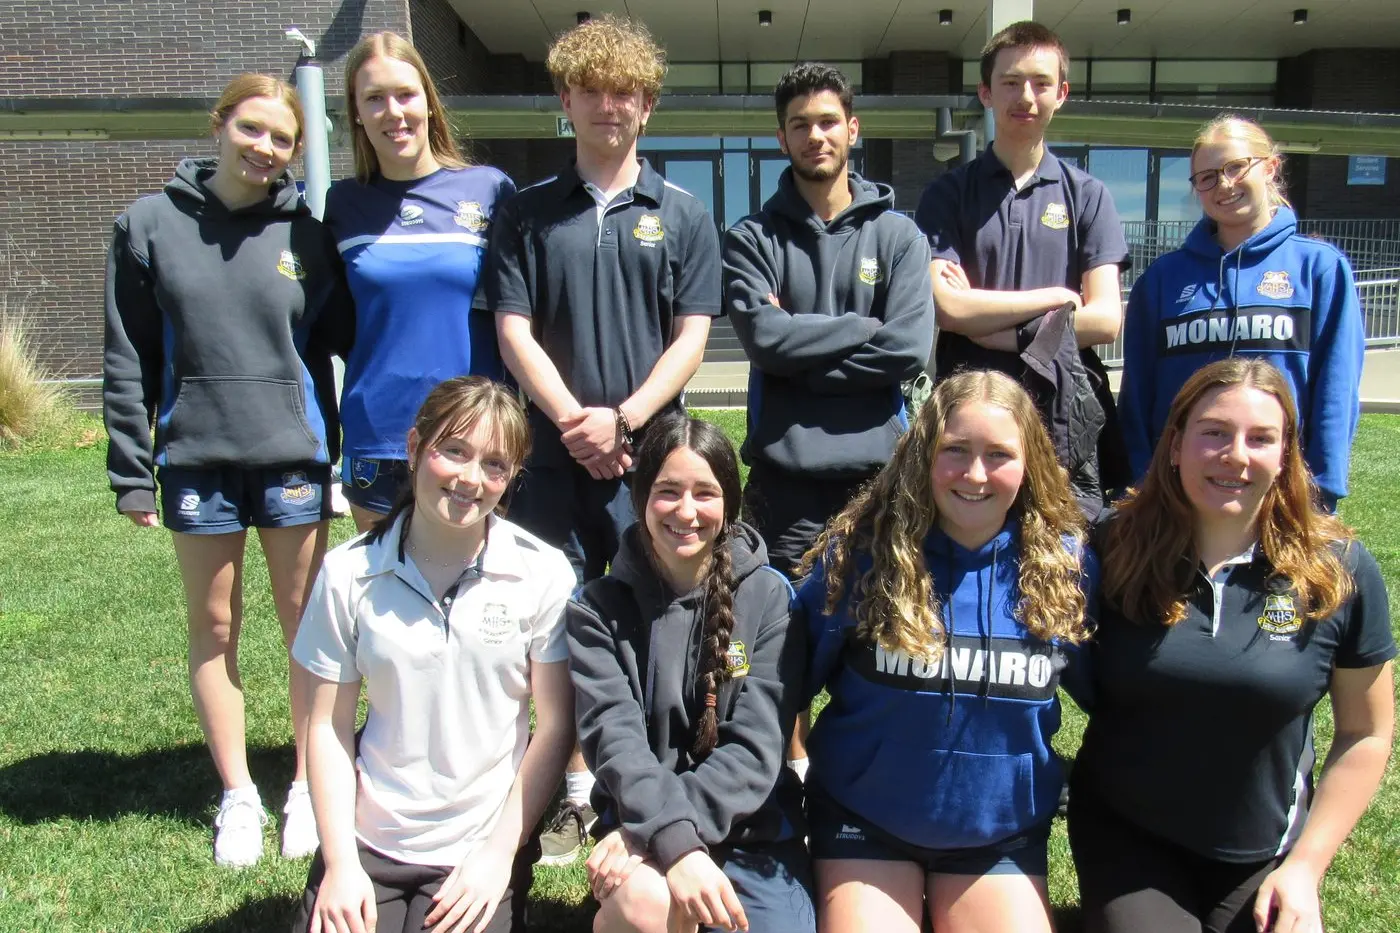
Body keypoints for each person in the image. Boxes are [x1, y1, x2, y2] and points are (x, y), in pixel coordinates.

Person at [481, 14, 721, 865]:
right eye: (592, 91)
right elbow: (513, 328)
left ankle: (640, 780)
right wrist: (574, 421)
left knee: (644, 616)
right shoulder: (526, 212)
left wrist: (622, 419)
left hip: (648, 465)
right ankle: (564, 785)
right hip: (549, 457)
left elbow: (692, 335)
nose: (609, 107)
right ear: (565, 101)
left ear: (647, 107)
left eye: (625, 93)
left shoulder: (685, 215)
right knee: (555, 616)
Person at [103, 73, 344, 867]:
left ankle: (309, 786)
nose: (264, 148)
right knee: (213, 628)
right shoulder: (147, 226)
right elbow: (128, 355)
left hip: (291, 460)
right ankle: (239, 793)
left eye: (282, 139)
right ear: (219, 126)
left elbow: (334, 340)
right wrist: (133, 469)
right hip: (196, 458)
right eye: (252, 129)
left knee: (306, 627)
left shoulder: (305, 235)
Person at [1070, 358, 1395, 933]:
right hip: (1130, 834)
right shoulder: (1112, 548)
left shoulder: (1337, 569)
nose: (1236, 455)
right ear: (1175, 446)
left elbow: (1365, 732)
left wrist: (1305, 868)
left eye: (1260, 439)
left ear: (1286, 454)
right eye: (1214, 433)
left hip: (1265, 848)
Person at [797, 369, 1095, 933]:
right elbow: (784, 680)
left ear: (1030, 461)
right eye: (955, 450)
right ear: (922, 455)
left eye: (999, 454)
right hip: (865, 822)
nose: (976, 474)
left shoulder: (1064, 567)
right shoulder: (865, 553)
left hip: (997, 836)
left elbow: (1117, 696)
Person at [291, 376, 577, 933]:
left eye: (495, 465)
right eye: (455, 451)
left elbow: (556, 726)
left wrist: (499, 856)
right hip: (370, 839)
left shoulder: (542, 574)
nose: (471, 479)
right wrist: (341, 864)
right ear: (416, 446)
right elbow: (327, 727)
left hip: (481, 842)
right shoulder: (349, 572)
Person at [723, 60, 934, 783]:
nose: (815, 135)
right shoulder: (753, 236)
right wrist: (857, 332)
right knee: (784, 630)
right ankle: (792, 772)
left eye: (827, 121)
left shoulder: (899, 235)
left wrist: (805, 344)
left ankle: (866, 766)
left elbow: (907, 347)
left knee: (880, 625)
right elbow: (764, 342)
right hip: (787, 480)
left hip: (879, 478)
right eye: (799, 125)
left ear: (853, 127)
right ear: (782, 138)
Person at [566, 414, 814, 933]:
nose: (686, 511)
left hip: (752, 832)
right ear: (639, 500)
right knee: (646, 906)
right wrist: (670, 842)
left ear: (729, 505)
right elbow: (617, 744)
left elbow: (755, 749)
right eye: (667, 491)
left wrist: (662, 833)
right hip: (642, 820)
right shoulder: (597, 609)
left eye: (705, 493)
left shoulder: (771, 600)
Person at [915, 21, 1130, 514]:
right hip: (968, 421)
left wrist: (1001, 333)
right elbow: (949, 308)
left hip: (1061, 416)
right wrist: (1054, 298)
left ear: (1062, 93)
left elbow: (1104, 320)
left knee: (1070, 565)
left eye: (1040, 83)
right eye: (1011, 82)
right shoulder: (948, 195)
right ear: (986, 92)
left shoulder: (1088, 196)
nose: (1025, 96)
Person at [1117, 115, 1364, 511]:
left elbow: (1336, 391)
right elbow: (1138, 399)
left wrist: (1321, 493)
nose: (1225, 185)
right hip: (1179, 493)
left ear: (1270, 167)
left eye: (1236, 167)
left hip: (1280, 488)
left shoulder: (1318, 269)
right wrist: (1147, 482)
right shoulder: (1162, 280)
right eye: (1207, 177)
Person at [325, 31, 516, 531]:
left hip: (472, 433)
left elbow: (516, 312)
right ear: (357, 113)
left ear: (429, 104)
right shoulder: (343, 205)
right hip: (378, 432)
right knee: (383, 591)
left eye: (405, 94)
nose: (393, 111)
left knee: (472, 591)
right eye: (374, 98)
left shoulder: (489, 190)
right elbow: (341, 322)